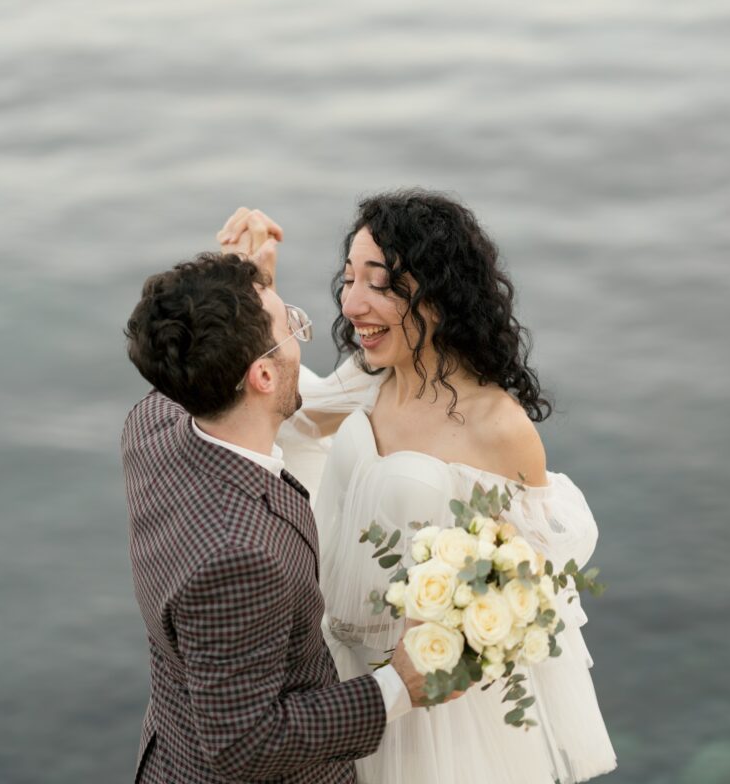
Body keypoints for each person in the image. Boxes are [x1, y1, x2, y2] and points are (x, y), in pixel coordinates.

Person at [218, 191, 618, 784]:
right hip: (334, 677)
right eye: (348, 279)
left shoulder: (499, 428)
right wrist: (257, 291)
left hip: (424, 711)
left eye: (379, 284)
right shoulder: (372, 377)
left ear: (437, 292)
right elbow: (283, 416)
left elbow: (528, 591)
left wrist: (461, 629)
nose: (351, 303)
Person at [120, 251, 456, 784]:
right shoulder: (240, 557)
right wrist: (398, 685)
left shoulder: (152, 426)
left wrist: (240, 289)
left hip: (173, 748)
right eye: (292, 327)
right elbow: (244, 746)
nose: (302, 340)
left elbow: (185, 342)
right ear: (261, 374)